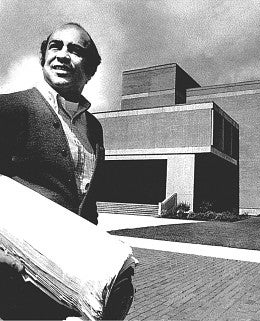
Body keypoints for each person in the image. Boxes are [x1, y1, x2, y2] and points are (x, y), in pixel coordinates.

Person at [0, 23, 134, 320]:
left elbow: (88, 202)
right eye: (55, 46)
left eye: (75, 50)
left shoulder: (94, 129)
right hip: (15, 282)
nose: (62, 55)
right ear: (43, 57)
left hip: (67, 285)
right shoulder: (10, 108)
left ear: (90, 68)